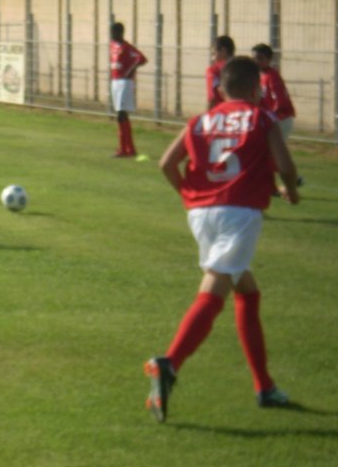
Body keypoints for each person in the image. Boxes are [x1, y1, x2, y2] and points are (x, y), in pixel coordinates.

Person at [145, 56, 300, 424]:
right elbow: (287, 167)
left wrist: (188, 196)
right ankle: (169, 363)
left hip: (200, 214)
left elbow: (166, 163)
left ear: (220, 89)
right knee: (214, 288)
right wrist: (290, 191)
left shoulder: (200, 120)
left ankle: (264, 386)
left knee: (247, 291)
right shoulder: (263, 117)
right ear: (255, 89)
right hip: (239, 213)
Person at [109, 22, 147, 158]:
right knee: (122, 115)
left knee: (120, 114)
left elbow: (142, 59)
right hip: (115, 82)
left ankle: (124, 149)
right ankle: (129, 149)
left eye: (113, 33)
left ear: (119, 33)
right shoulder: (112, 46)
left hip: (125, 82)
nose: (111, 35)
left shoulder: (127, 47)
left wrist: (129, 71)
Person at [251, 43, 296, 140]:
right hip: (273, 119)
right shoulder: (260, 76)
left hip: (282, 118)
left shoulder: (271, 76)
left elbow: (280, 102)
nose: (256, 61)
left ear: (269, 59)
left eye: (259, 58)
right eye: (254, 58)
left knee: (274, 149)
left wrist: (270, 119)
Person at [206, 35, 235, 109]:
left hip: (221, 112)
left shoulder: (214, 70)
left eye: (214, 54)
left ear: (223, 51)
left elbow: (212, 97)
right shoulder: (245, 67)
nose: (212, 59)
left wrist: (207, 117)